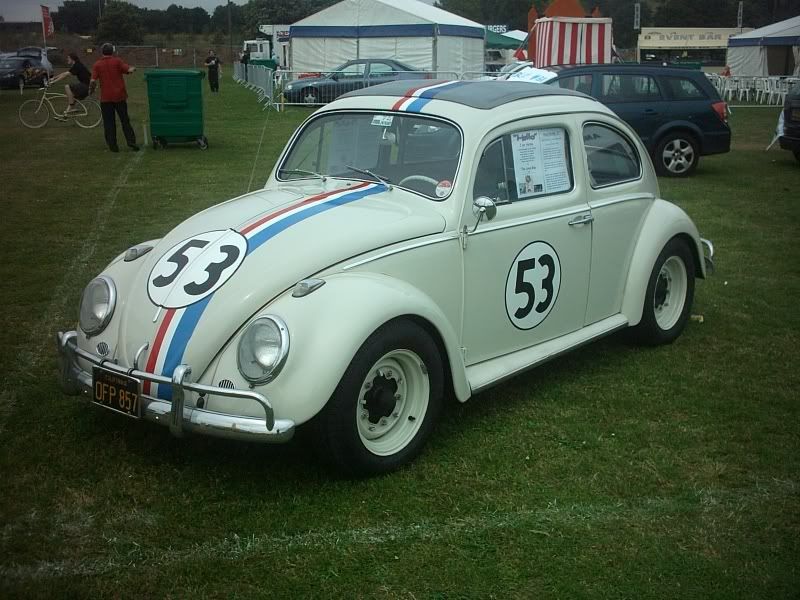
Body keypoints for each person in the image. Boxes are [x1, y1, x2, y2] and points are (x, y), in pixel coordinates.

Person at [89, 43, 138, 152]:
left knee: (109, 122)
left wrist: (90, 91)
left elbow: (92, 81)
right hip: (120, 96)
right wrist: (133, 68)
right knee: (125, 120)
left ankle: (113, 146)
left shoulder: (97, 64)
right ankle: (131, 142)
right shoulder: (117, 61)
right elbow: (128, 70)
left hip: (106, 98)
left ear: (102, 52)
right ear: (113, 51)